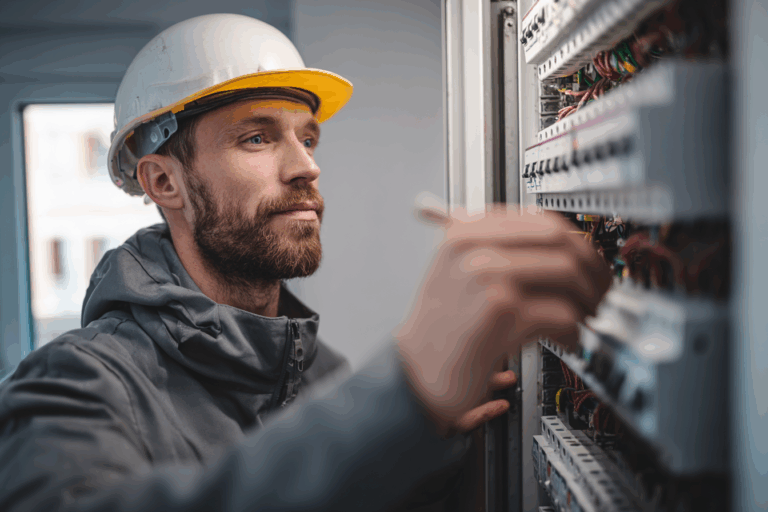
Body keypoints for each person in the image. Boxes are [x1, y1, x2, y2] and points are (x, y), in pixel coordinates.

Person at [0, 13, 568, 511]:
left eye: (309, 139)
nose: (306, 168)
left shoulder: (325, 377)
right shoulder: (76, 382)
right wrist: (402, 396)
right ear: (164, 181)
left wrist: (426, 459)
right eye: (256, 139)